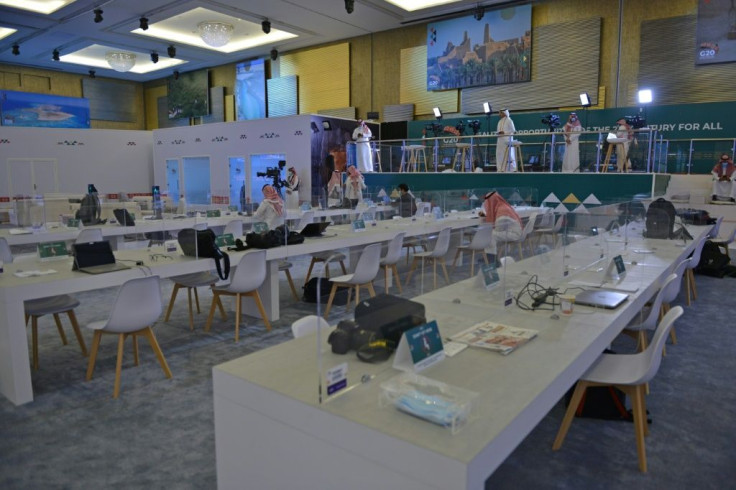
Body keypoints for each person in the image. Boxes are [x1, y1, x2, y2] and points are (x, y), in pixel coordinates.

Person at [478, 191, 522, 257]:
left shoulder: (502, 211)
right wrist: (482, 215)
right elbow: (489, 216)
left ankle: (491, 258)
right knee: (490, 233)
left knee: (490, 235)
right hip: (512, 232)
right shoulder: (501, 207)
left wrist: (483, 221)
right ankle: (489, 257)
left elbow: (498, 229)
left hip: (514, 234)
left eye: (487, 202)